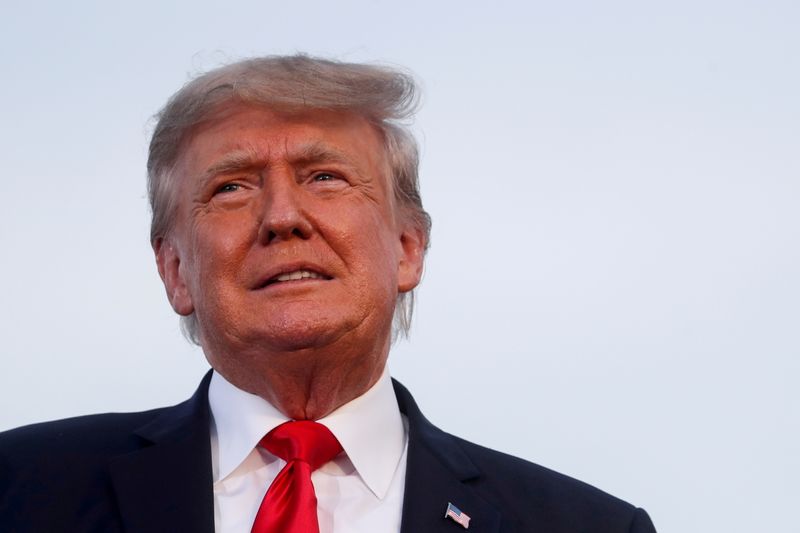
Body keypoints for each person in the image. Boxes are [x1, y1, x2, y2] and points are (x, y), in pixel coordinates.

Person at [0, 55, 657, 533]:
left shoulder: (586, 525)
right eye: (232, 186)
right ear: (175, 271)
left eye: (325, 177)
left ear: (407, 248)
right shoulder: (20, 489)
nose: (283, 216)